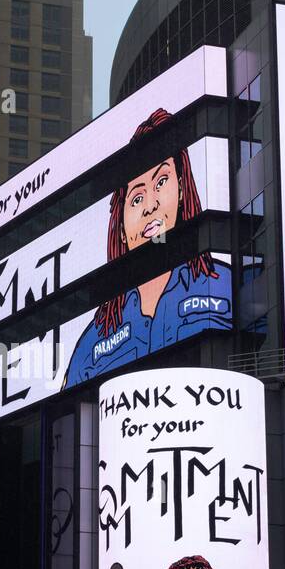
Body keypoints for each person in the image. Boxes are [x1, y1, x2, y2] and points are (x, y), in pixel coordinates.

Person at [66, 108, 231, 386]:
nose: (151, 205)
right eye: (137, 197)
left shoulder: (227, 286)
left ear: (181, 190)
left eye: (162, 182)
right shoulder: (91, 345)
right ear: (120, 226)